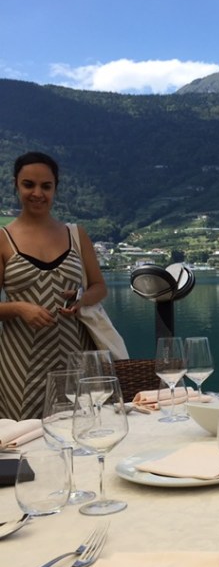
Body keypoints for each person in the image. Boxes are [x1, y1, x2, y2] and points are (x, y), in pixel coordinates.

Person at [0, 151, 107, 420]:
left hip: (77, 355)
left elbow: (99, 287)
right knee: (22, 434)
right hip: (21, 362)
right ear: (15, 185)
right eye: (29, 185)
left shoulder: (76, 234)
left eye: (46, 186)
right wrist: (20, 308)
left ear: (55, 188)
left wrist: (81, 299)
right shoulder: (3, 239)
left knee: (84, 428)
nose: (37, 193)